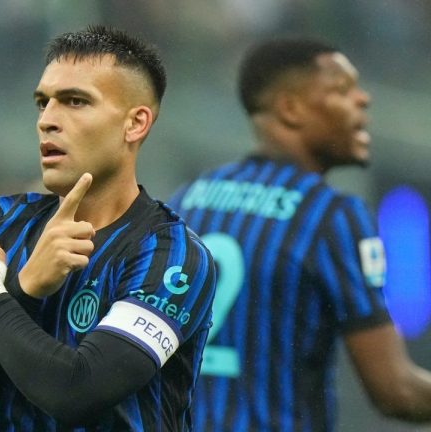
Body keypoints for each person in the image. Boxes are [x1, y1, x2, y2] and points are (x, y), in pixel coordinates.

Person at [0, 25, 216, 431]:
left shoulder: (172, 254)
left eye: (75, 102)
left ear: (135, 123)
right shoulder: (6, 225)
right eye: (42, 103)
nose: (47, 120)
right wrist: (24, 288)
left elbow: (78, 392)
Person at [166, 37, 431, 431]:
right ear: (291, 109)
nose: (363, 100)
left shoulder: (188, 200)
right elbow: (396, 391)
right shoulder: (332, 217)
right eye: (342, 89)